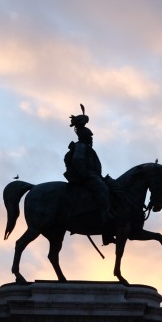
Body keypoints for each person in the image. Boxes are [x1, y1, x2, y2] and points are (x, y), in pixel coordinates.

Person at [64, 104, 114, 245]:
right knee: (103, 190)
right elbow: (79, 162)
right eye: (89, 135)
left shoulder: (86, 148)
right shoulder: (80, 147)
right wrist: (87, 176)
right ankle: (105, 215)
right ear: (84, 135)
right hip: (87, 177)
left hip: (94, 176)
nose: (91, 137)